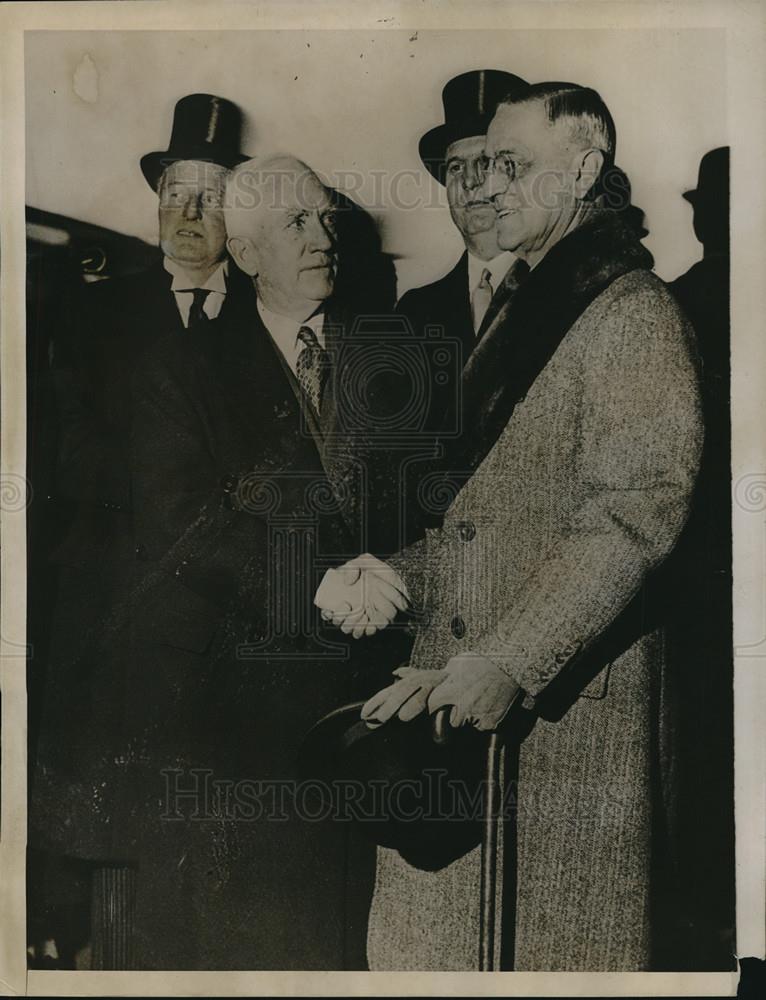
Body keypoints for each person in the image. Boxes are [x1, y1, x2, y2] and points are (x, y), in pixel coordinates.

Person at [318, 83, 706, 970]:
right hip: (457, 711)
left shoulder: (633, 313)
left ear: (585, 170)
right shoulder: (532, 305)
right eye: (484, 162)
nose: (488, 183)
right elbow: (488, 521)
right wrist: (395, 574)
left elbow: (633, 512)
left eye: (513, 164)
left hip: (561, 734)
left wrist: (510, 659)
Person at [69, 154, 409, 969]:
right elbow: (183, 526)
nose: (322, 237)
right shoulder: (181, 370)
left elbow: (422, 502)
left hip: (370, 721)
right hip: (242, 730)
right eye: (297, 223)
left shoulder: (387, 358)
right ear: (247, 251)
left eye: (326, 218)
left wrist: (398, 573)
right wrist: (317, 582)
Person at [28, 92, 251, 965]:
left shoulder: (263, 318)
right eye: (173, 193)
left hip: (222, 623)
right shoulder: (94, 314)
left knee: (212, 851)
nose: (187, 214)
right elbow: (68, 459)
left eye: (210, 196)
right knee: (110, 847)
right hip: (111, 614)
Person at [396, 70, 530, 425]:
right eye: (456, 167)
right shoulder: (413, 313)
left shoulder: (560, 291)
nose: (469, 181)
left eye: (484, 163)